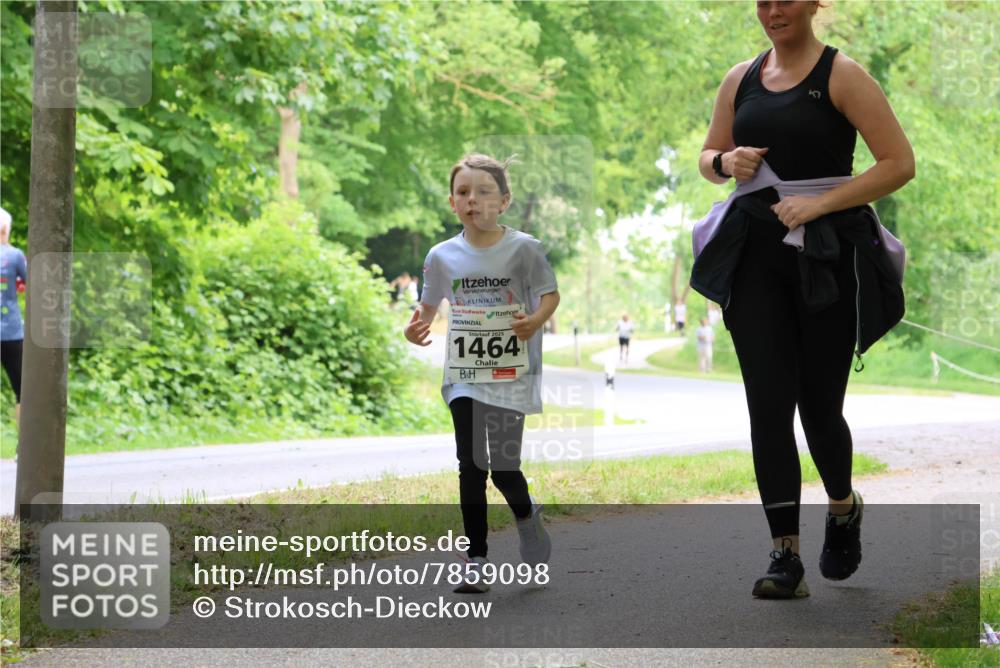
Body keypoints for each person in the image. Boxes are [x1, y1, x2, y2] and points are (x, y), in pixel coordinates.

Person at [692, 0, 914, 599]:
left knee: (818, 408)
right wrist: (725, 160)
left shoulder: (842, 76)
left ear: (815, 4)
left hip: (827, 259)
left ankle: (842, 508)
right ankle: (784, 555)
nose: (773, 10)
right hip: (754, 259)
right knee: (768, 405)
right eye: (763, 1)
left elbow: (898, 163)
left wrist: (819, 204)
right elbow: (708, 159)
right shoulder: (739, 79)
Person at [404, 153, 559, 593]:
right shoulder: (442, 256)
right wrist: (413, 329)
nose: (473, 199)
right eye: (463, 192)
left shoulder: (525, 248)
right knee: (471, 463)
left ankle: (527, 517)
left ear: (504, 200)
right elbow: (427, 308)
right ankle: (476, 558)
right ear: (453, 203)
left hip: (510, 371)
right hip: (465, 373)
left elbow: (550, 295)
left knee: (505, 467)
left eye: (484, 191)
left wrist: (535, 320)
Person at [0, 207, 27, 432]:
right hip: (10, 333)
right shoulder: (15, 255)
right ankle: (24, 446)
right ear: (5, 229)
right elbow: (31, 284)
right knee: (22, 389)